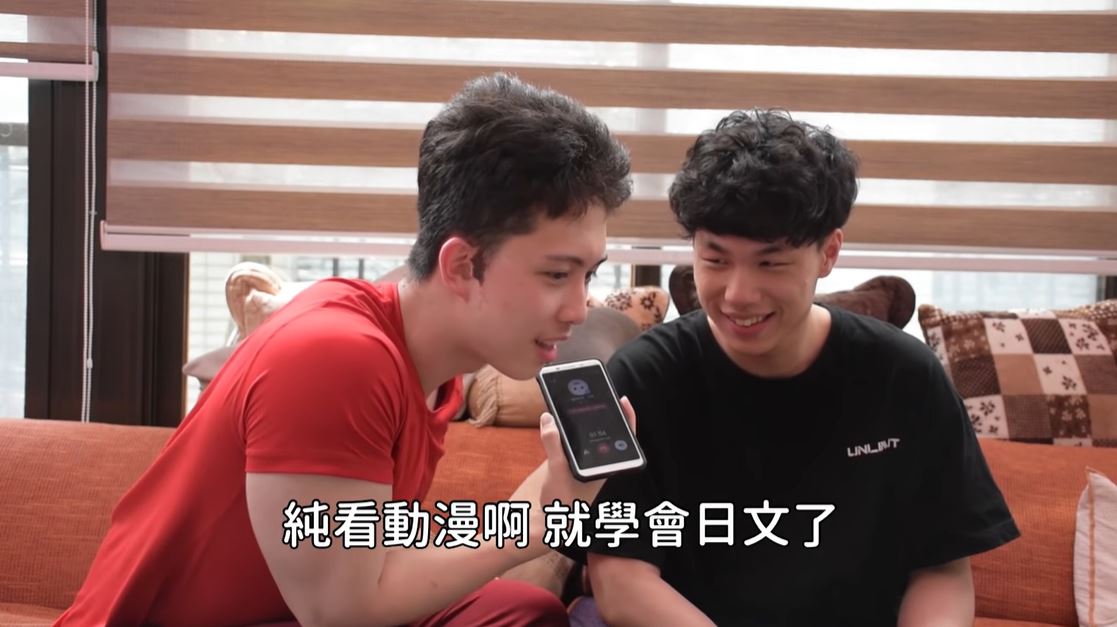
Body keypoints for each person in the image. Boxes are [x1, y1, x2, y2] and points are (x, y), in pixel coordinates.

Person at [55, 73, 634, 627]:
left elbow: (372, 557)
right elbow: (336, 609)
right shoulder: (335, 357)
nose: (578, 309)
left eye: (588, 276)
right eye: (557, 274)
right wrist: (536, 527)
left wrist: (550, 503)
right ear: (461, 265)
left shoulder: (431, 367)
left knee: (519, 612)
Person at [576, 110, 1019, 626]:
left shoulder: (904, 376)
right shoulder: (641, 380)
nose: (738, 295)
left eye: (771, 263)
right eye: (715, 260)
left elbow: (941, 569)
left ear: (828, 252)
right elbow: (621, 580)